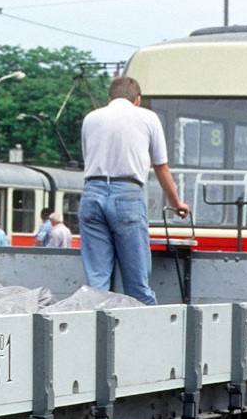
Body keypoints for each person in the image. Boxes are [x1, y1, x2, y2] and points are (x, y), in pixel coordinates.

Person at [80, 75, 189, 305]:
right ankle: (151, 336)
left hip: (91, 192)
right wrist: (176, 203)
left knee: (96, 285)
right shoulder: (148, 118)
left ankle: (93, 334)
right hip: (127, 194)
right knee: (137, 285)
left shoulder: (91, 119)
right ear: (137, 100)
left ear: (109, 98)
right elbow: (161, 168)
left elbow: (87, 157)